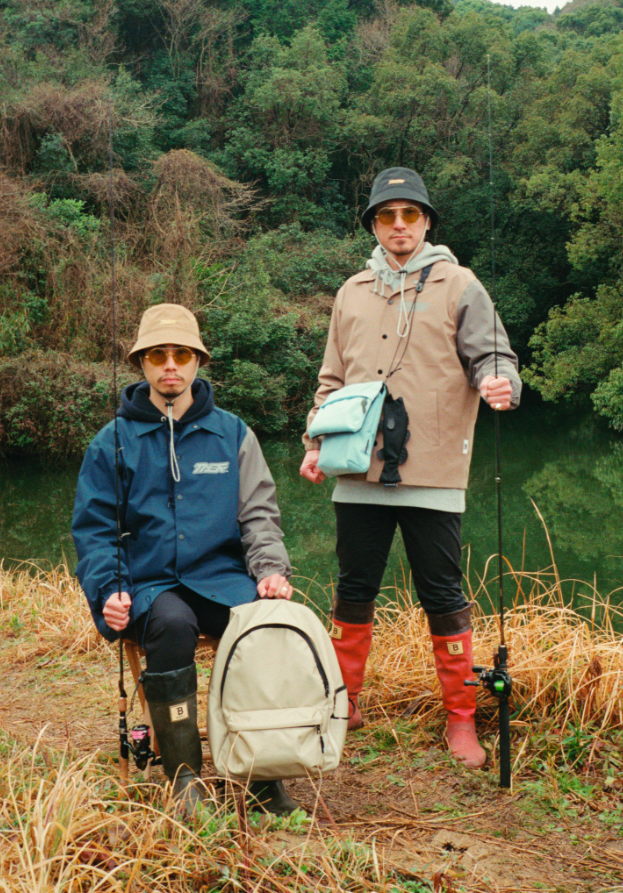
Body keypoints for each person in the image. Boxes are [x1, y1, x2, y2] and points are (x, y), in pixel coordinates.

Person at [299, 168, 521, 769]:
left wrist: (499, 382)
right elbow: (331, 381)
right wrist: (314, 443)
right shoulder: (350, 291)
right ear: (374, 224)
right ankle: (345, 703)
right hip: (356, 469)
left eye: (410, 214)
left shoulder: (461, 284)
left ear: (426, 222)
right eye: (386, 215)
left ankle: (461, 718)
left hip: (434, 471)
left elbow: (493, 355)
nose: (399, 225)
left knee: (443, 595)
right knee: (353, 590)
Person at [73, 303, 298, 814]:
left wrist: (270, 571)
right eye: (157, 355)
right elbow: (94, 530)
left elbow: (259, 515)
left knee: (262, 622)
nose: (170, 365)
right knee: (172, 625)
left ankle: (264, 774)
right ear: (142, 364)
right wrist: (108, 590)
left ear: (198, 360)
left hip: (221, 578)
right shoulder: (111, 442)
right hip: (148, 585)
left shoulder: (234, 434)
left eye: (181, 354)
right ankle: (184, 778)